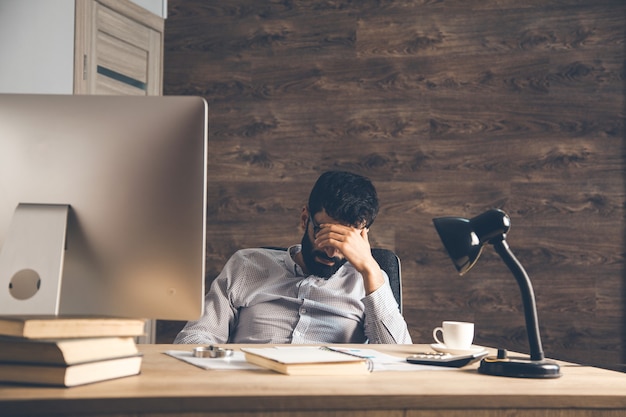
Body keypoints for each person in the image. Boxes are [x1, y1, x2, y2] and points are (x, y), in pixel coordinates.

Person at [174, 170, 412, 344]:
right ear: (304, 218)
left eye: (343, 240)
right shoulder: (246, 266)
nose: (331, 251)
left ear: (361, 236)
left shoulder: (368, 282)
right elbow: (195, 336)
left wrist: (370, 269)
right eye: (323, 233)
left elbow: (398, 357)